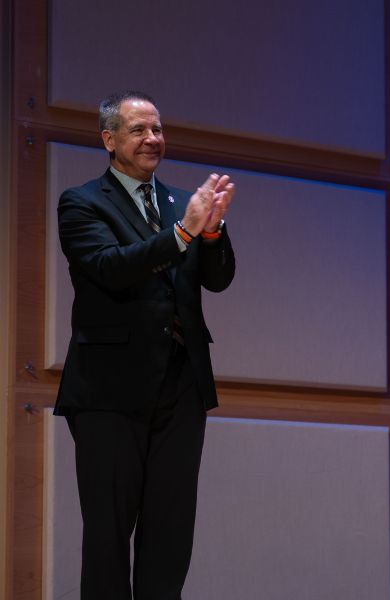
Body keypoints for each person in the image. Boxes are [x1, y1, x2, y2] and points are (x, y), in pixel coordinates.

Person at [55, 90, 236, 599]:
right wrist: (183, 232)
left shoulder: (184, 202)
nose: (153, 139)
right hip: (109, 392)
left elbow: (218, 280)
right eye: (139, 130)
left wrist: (213, 232)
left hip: (181, 386)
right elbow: (111, 269)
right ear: (109, 141)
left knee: (170, 538)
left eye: (157, 129)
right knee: (108, 539)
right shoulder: (81, 202)